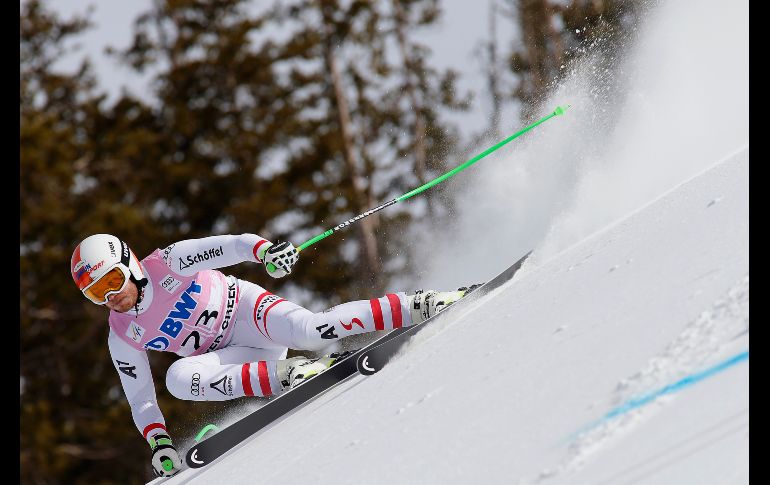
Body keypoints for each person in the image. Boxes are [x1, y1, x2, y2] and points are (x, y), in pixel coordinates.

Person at [70, 233, 476, 477]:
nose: (111, 296)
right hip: (236, 355)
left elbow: (230, 246)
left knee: (313, 330)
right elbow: (140, 398)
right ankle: (290, 374)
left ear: (130, 263)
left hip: (246, 311)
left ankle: (422, 303)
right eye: (96, 293)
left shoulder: (169, 262)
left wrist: (265, 252)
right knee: (177, 379)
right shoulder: (122, 334)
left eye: (112, 279)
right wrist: (158, 443)